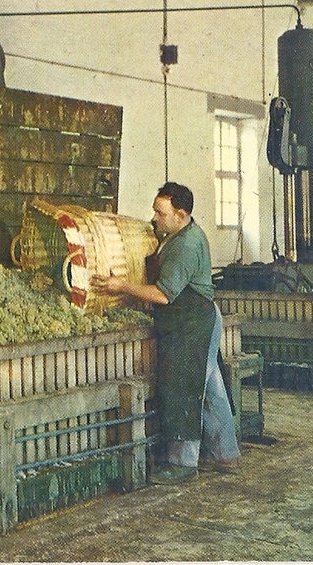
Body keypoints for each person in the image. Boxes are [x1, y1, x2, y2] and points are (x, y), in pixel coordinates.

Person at [92, 182, 240, 483]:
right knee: (210, 387)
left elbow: (162, 295)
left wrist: (121, 286)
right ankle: (226, 454)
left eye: (160, 213)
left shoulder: (187, 245)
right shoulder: (180, 232)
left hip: (192, 322)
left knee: (182, 387)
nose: (155, 218)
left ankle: (183, 464)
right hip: (193, 319)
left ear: (180, 214)